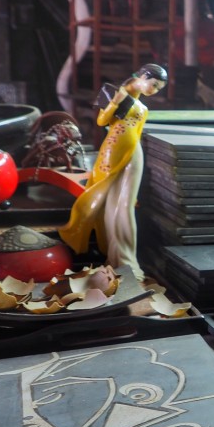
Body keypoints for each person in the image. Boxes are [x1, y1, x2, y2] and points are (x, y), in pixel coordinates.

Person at [59, 63, 168, 281]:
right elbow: (101, 121)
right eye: (153, 84)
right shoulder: (117, 93)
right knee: (109, 200)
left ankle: (126, 259)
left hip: (132, 152)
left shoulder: (142, 107)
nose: (153, 91)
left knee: (125, 205)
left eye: (158, 89)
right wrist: (114, 104)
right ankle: (117, 256)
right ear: (144, 75)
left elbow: (137, 133)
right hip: (112, 149)